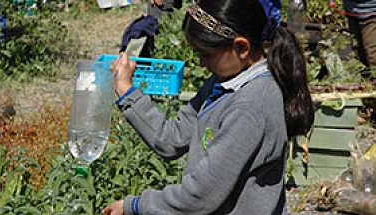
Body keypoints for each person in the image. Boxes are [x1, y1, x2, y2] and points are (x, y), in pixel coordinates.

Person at [103, 0, 314, 214]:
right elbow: (171, 140)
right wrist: (127, 92)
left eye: (205, 54)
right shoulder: (225, 81)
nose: (202, 64)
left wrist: (136, 205)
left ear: (241, 48)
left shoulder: (251, 106)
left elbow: (200, 197)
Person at [343, 0, 376, 68]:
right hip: (352, 13)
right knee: (358, 51)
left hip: (371, 13)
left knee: (372, 52)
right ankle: (365, 76)